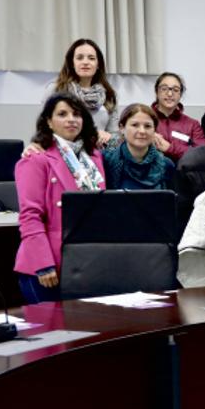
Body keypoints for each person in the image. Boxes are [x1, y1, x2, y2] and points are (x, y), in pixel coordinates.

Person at [13, 94, 106, 303]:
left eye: (76, 114)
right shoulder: (36, 159)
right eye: (62, 114)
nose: (71, 119)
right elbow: (30, 216)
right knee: (53, 333)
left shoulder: (93, 157)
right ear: (49, 121)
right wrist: (43, 263)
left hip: (86, 260)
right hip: (47, 265)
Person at [47, 38, 119, 146]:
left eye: (91, 58)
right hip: (66, 153)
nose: (85, 62)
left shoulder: (109, 94)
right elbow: (46, 129)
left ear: (98, 64)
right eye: (79, 58)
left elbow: (115, 135)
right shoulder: (56, 90)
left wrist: (108, 137)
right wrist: (91, 135)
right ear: (72, 63)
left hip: (100, 155)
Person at [102, 104, 176, 191]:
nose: (142, 131)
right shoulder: (106, 160)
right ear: (122, 128)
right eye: (135, 125)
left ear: (154, 130)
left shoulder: (166, 164)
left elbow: (172, 201)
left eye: (147, 126)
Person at [150, 72, 205, 163]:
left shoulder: (192, 124)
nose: (170, 94)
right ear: (156, 91)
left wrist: (170, 148)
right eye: (164, 89)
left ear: (180, 94)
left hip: (184, 174)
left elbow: (201, 155)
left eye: (175, 90)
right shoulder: (144, 121)